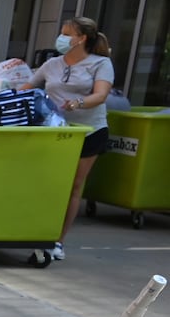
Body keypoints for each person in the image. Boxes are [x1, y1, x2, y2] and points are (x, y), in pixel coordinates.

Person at [29, 16, 114, 260]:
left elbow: (100, 95)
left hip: (89, 131)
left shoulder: (100, 64)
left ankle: (58, 241)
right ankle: (35, 230)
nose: (62, 37)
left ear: (82, 39)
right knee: (47, 182)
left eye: (67, 33)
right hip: (55, 132)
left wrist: (79, 102)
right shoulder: (52, 64)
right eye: (62, 32)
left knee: (73, 186)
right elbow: (28, 86)